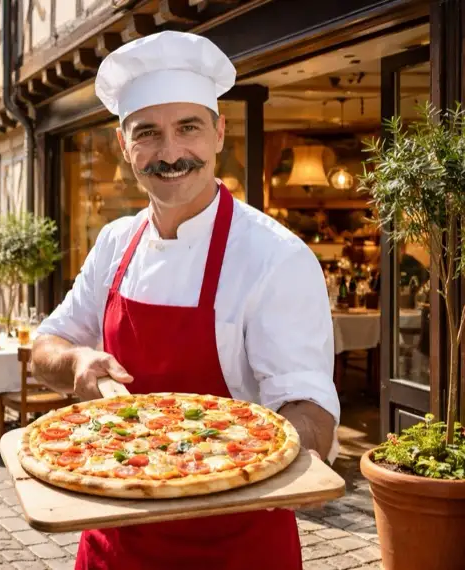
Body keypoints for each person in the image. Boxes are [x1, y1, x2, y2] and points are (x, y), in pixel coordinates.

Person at [31, 31, 340, 570]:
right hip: (113, 538)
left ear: (219, 133)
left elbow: (311, 408)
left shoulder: (275, 256)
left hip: (237, 542)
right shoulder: (114, 242)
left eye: (188, 128)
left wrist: (256, 445)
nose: (170, 153)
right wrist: (78, 360)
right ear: (123, 146)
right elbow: (45, 348)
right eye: (147, 133)